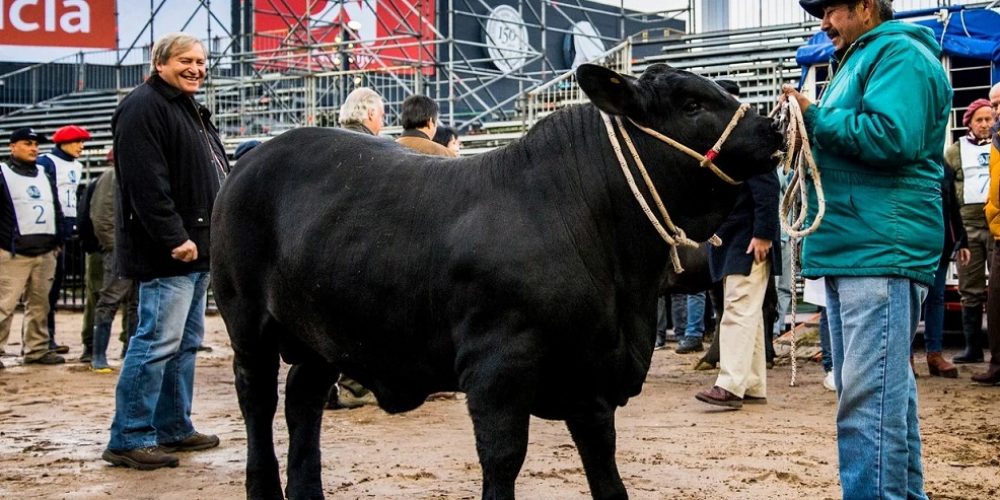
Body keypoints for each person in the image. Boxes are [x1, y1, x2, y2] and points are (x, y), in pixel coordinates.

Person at [784, 1, 952, 497]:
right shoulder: (865, 58)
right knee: (886, 400)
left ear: (864, 7)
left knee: (867, 402)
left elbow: (891, 137)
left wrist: (814, 119)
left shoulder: (897, 56)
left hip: (876, 246)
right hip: (860, 243)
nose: (823, 22)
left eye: (832, 8)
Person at [102, 32, 226, 470]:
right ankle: (129, 436)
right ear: (160, 63)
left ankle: (173, 426)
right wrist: (174, 238)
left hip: (198, 247)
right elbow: (145, 184)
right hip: (170, 251)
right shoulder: (143, 106)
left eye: (201, 61)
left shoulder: (186, 107)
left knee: (185, 343)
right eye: (186, 60)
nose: (196, 68)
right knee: (157, 342)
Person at [695, 79, 780, 409]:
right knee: (747, 312)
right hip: (735, 238)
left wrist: (763, 233)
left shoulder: (748, 139)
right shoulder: (727, 141)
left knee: (737, 310)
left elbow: (767, 188)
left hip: (747, 239)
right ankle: (753, 382)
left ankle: (729, 384)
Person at [325, 87, 386, 410]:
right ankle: (354, 388)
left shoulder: (325, 143)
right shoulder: (374, 148)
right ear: (370, 114)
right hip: (357, 250)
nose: (383, 121)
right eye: (381, 115)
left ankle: (326, 387)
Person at [0, 128, 66, 367]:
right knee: (4, 305)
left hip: (45, 250)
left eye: (36, 144)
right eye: (27, 143)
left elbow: (54, 206)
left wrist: (58, 239)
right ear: (12, 146)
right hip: (13, 252)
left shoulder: (43, 173)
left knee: (40, 305)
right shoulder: (3, 172)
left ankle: (36, 349)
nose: (34, 148)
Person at [36, 125, 91, 354]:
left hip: (66, 230)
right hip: (48, 229)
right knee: (42, 291)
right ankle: (41, 338)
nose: (81, 146)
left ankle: (48, 337)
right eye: (77, 141)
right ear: (63, 143)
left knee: (55, 288)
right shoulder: (47, 162)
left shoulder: (76, 166)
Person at [948, 97, 994, 364]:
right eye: (980, 119)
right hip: (969, 228)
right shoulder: (956, 150)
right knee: (970, 289)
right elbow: (945, 182)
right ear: (969, 123)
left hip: (995, 225)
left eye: (989, 118)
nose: (985, 124)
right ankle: (973, 348)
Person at [919, 164, 968, 378]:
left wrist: (961, 241)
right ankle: (905, 358)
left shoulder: (944, 169)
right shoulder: (910, 161)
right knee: (911, 300)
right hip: (913, 243)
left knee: (936, 299)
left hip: (940, 244)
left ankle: (934, 355)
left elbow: (953, 206)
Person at [89, 167, 138, 373]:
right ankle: (98, 355)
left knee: (137, 303)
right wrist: (114, 246)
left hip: (140, 250)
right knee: (110, 299)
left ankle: (129, 350)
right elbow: (101, 215)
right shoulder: (113, 175)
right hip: (120, 249)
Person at [976, 81, 1000, 385]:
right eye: (993, 105)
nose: (995, 112)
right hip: (997, 231)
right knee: (995, 303)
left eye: (998, 105)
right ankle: (997, 365)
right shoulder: (996, 139)